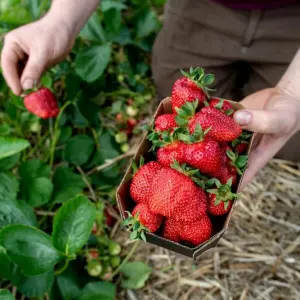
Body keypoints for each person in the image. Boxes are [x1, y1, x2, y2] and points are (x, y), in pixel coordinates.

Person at [1, 0, 300, 189]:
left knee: (285, 140)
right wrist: (61, 21)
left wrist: (292, 92)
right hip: (202, 7)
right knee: (178, 92)